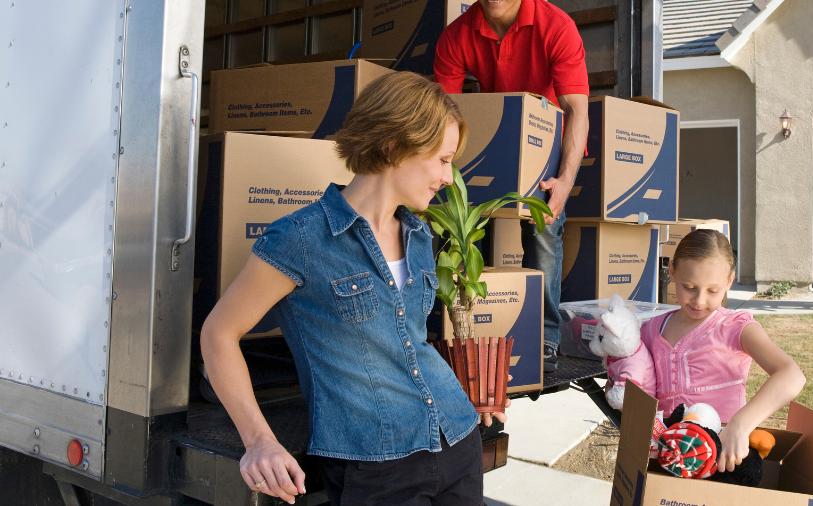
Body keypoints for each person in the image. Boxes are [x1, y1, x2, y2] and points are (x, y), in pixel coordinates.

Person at [200, 72, 504, 505]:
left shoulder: (419, 236)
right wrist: (259, 441)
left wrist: (473, 390)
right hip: (376, 466)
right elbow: (218, 334)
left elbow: (408, 341)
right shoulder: (300, 240)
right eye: (442, 159)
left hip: (456, 436)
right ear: (394, 145)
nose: (449, 176)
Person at [433, 0, 591, 372]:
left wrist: (565, 182)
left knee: (544, 229)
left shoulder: (556, 26)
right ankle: (461, 330)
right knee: (464, 227)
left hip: (547, 139)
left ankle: (546, 338)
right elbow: (441, 113)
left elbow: (577, 110)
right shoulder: (456, 35)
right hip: (496, 138)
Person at [641, 229, 805, 473]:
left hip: (723, 459)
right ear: (672, 271)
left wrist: (740, 425)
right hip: (665, 459)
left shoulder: (735, 327)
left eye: (713, 291)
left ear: (729, 281)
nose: (699, 300)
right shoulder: (652, 328)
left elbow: (791, 375)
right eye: (689, 287)